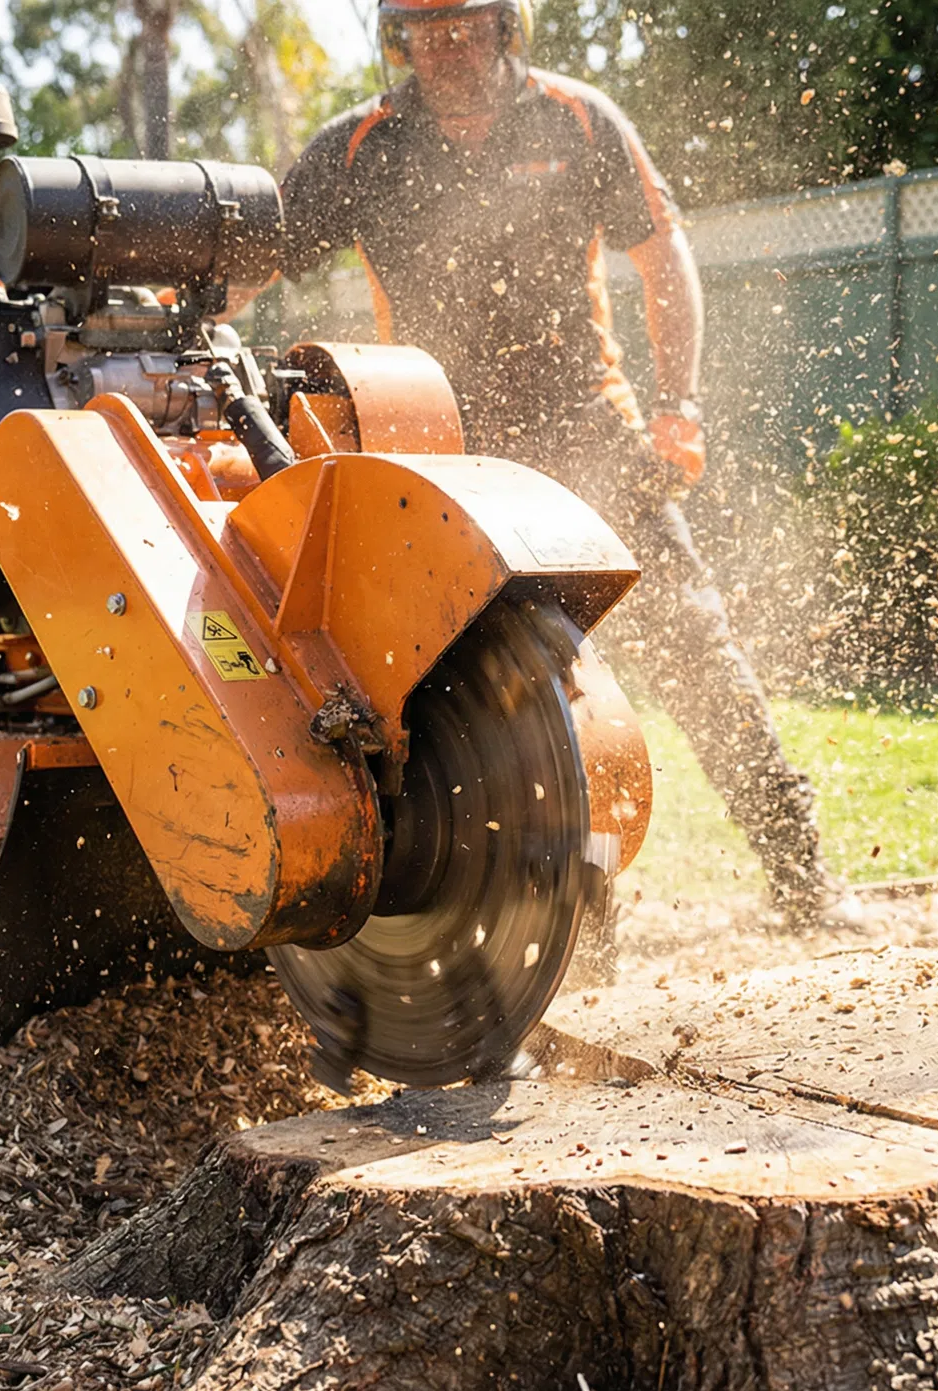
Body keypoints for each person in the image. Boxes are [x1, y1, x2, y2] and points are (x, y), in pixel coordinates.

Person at [271, 0, 857, 927]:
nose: (448, 45)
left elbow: (664, 257)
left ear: (506, 25)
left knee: (696, 647)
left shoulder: (577, 118)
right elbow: (256, 256)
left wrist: (680, 407)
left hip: (590, 428)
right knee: (498, 695)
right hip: (443, 449)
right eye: (426, 29)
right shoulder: (358, 148)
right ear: (399, 37)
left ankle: (805, 873)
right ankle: (574, 922)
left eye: (465, 23)